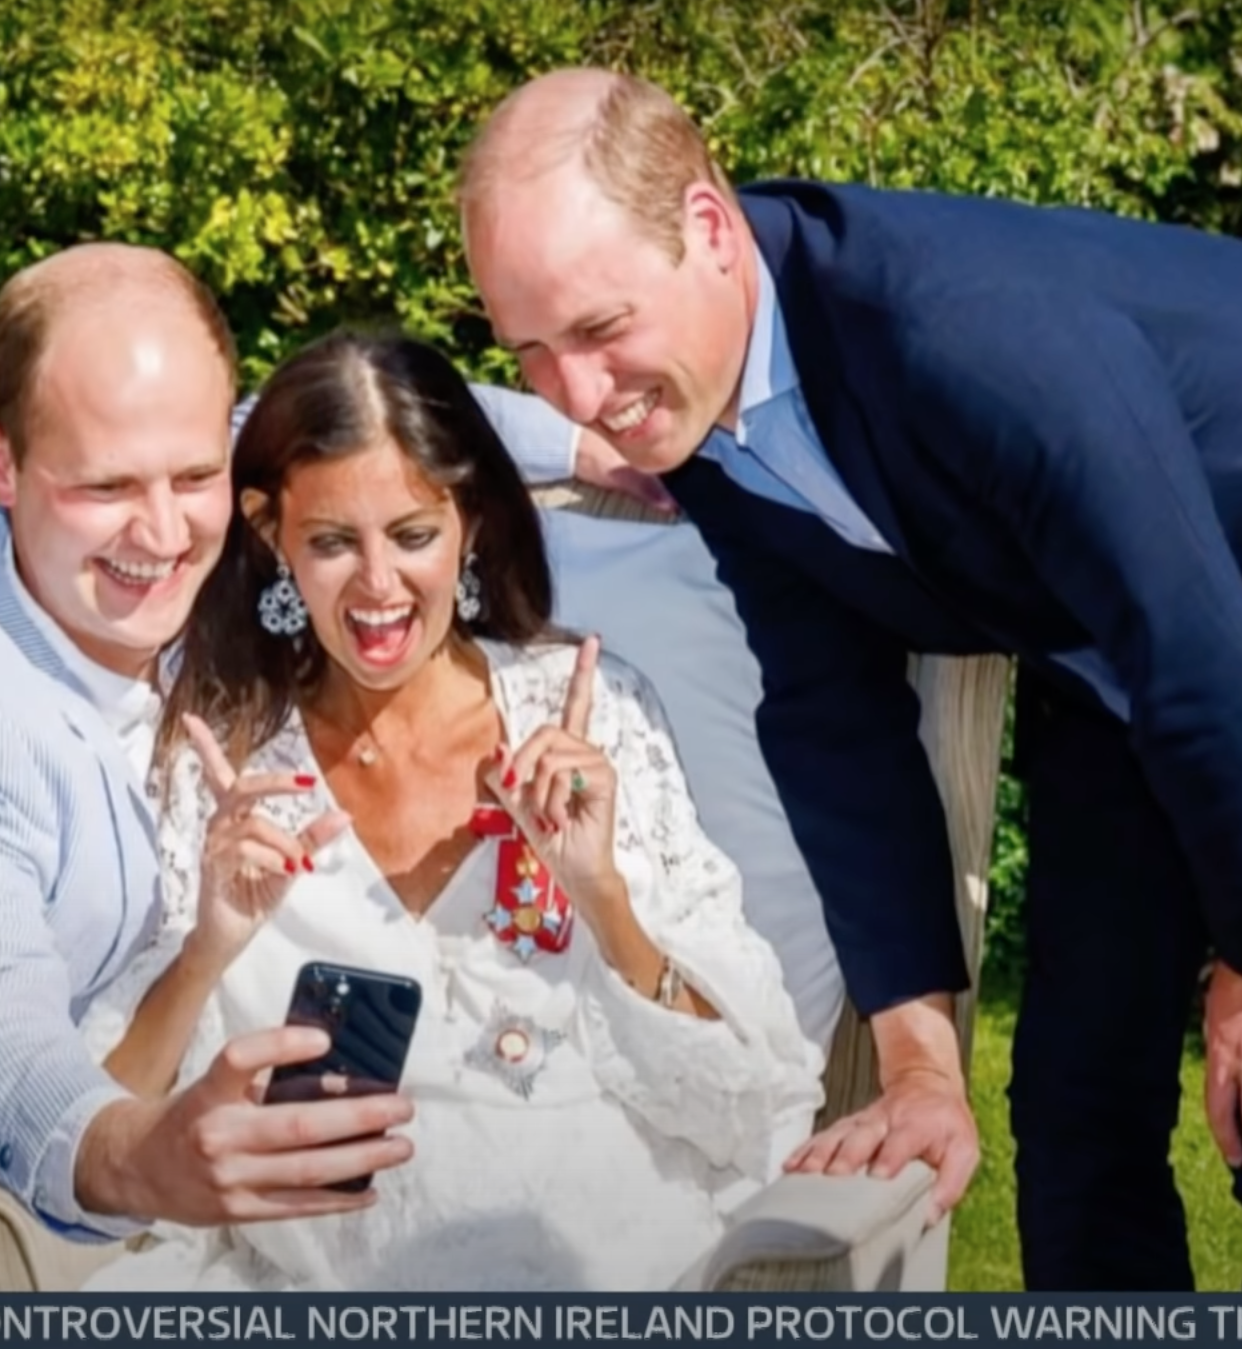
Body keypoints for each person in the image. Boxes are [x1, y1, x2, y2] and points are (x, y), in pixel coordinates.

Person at [456, 70, 1242, 1291]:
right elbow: (828, 713)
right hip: (1139, 647)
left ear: (704, 227)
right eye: (530, 351)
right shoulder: (699, 410)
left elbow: (1192, 637)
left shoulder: (955, 328)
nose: (577, 395)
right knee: (1072, 1110)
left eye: (596, 330)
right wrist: (917, 1066)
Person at [76, 328, 823, 1292]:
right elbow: (107, 1139)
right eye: (333, 542)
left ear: (468, 521)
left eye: (413, 535)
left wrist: (603, 899)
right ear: (268, 535)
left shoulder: (593, 718)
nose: (379, 588)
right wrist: (208, 948)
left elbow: (747, 1107)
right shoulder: (218, 770)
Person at [0, 242, 685, 1241]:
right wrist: (141, 1157)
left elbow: (345, 417)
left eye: (192, 474)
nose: (166, 531)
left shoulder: (217, 556)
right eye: (107, 487)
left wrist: (584, 444)